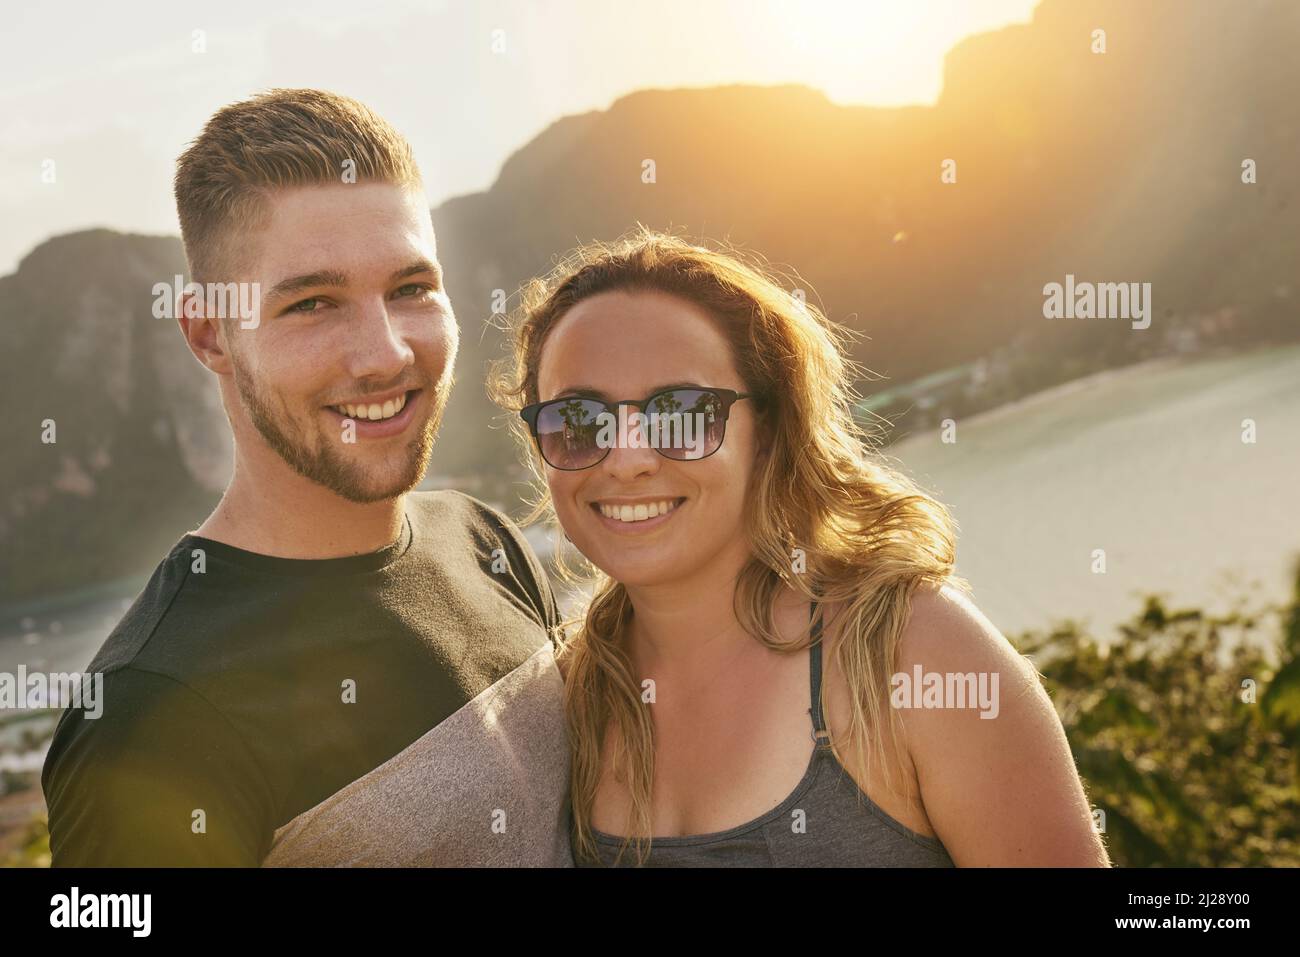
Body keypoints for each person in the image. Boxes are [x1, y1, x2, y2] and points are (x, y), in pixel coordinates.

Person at [41, 89, 571, 867]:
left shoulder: (484, 538)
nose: (385, 353)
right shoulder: (149, 710)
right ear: (209, 334)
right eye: (314, 303)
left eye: (411, 289)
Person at [489, 228, 1112, 866]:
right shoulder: (562, 699)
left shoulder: (909, 654)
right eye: (578, 422)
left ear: (767, 429)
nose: (627, 461)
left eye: (679, 413)